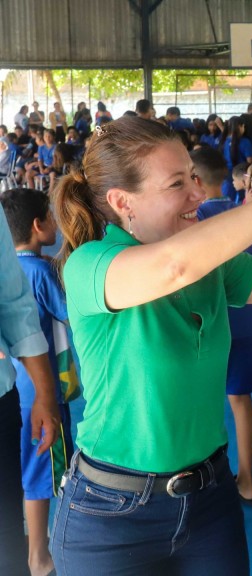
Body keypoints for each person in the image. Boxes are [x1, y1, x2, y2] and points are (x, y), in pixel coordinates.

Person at [48, 99, 252, 574]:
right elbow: (172, 266)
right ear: (123, 202)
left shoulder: (211, 263)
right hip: (113, 514)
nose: (198, 193)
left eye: (193, 177)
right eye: (177, 184)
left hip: (208, 499)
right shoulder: (91, 264)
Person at [192, 149, 252, 506]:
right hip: (244, 324)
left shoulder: (196, 217)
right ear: (227, 178)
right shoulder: (246, 215)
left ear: (194, 179)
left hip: (206, 328)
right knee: (241, 401)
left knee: (201, 403)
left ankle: (205, 480)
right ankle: (248, 480)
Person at [1, 188, 71, 576]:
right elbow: (70, 313)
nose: (55, 225)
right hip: (41, 392)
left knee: (30, 473)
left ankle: (34, 553)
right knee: (42, 475)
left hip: (20, 388)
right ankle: (39, 556)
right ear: (37, 225)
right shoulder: (41, 272)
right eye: (50, 217)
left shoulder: (18, 267)